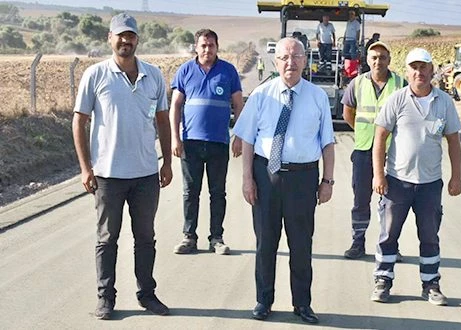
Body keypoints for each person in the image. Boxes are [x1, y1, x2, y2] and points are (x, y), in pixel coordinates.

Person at [72, 13, 172, 320]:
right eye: (120, 36)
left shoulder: (153, 75)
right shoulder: (95, 75)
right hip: (107, 176)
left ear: (137, 40)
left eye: (131, 36)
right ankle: (106, 298)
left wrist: (167, 161)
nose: (125, 41)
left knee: (145, 238)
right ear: (110, 38)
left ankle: (147, 294)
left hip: (145, 174)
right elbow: (80, 120)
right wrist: (86, 168)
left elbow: (162, 120)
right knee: (107, 239)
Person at [233, 37, 335, 324]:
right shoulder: (262, 95)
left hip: (303, 179)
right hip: (267, 176)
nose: (290, 62)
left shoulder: (317, 97)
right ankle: (263, 301)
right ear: (275, 62)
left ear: (305, 60)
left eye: (296, 56)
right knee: (266, 242)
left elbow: (327, 142)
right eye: (284, 58)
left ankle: (302, 304)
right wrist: (247, 179)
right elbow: (248, 140)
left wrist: (327, 180)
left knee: (301, 245)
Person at [370, 48, 461, 306]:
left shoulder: (444, 102)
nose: (419, 72)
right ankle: (383, 281)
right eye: (414, 67)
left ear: (432, 71)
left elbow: (454, 141)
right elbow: (380, 138)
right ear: (407, 71)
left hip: (430, 185)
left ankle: (431, 284)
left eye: (423, 67)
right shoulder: (397, 100)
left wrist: (457, 177)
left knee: (430, 236)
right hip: (397, 182)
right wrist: (379, 174)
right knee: (389, 235)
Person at [170, 28, 244, 255]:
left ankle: (217, 238)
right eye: (203, 45)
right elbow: (175, 106)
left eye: (211, 45)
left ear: (217, 47)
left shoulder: (228, 72)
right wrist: (175, 137)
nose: (207, 49)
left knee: (217, 192)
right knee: (190, 192)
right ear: (196, 47)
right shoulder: (185, 71)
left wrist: (238, 136)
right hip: (190, 142)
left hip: (219, 142)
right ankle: (189, 237)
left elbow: (239, 105)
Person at [341, 41, 406, 260]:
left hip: (393, 153)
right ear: (367, 60)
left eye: (382, 57)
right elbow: (348, 114)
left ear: (389, 60)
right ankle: (357, 243)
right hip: (363, 151)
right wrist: (364, 134)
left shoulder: (400, 84)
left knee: (392, 203)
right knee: (360, 201)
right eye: (374, 57)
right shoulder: (356, 84)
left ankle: (390, 246)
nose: (378, 61)